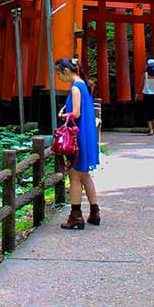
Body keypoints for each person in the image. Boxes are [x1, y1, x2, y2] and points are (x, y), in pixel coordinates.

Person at [55, 57, 101, 229]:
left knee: (74, 177)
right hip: (86, 136)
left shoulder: (75, 87)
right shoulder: (84, 84)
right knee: (85, 176)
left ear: (67, 71)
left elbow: (75, 113)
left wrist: (62, 116)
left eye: (60, 74)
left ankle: (76, 216)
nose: (59, 78)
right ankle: (95, 213)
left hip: (77, 138)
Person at [140, 58, 154, 136]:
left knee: (147, 112)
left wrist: (137, 93)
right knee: (153, 111)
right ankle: (152, 128)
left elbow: (141, 85)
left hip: (146, 95)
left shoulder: (145, 75)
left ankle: (151, 130)